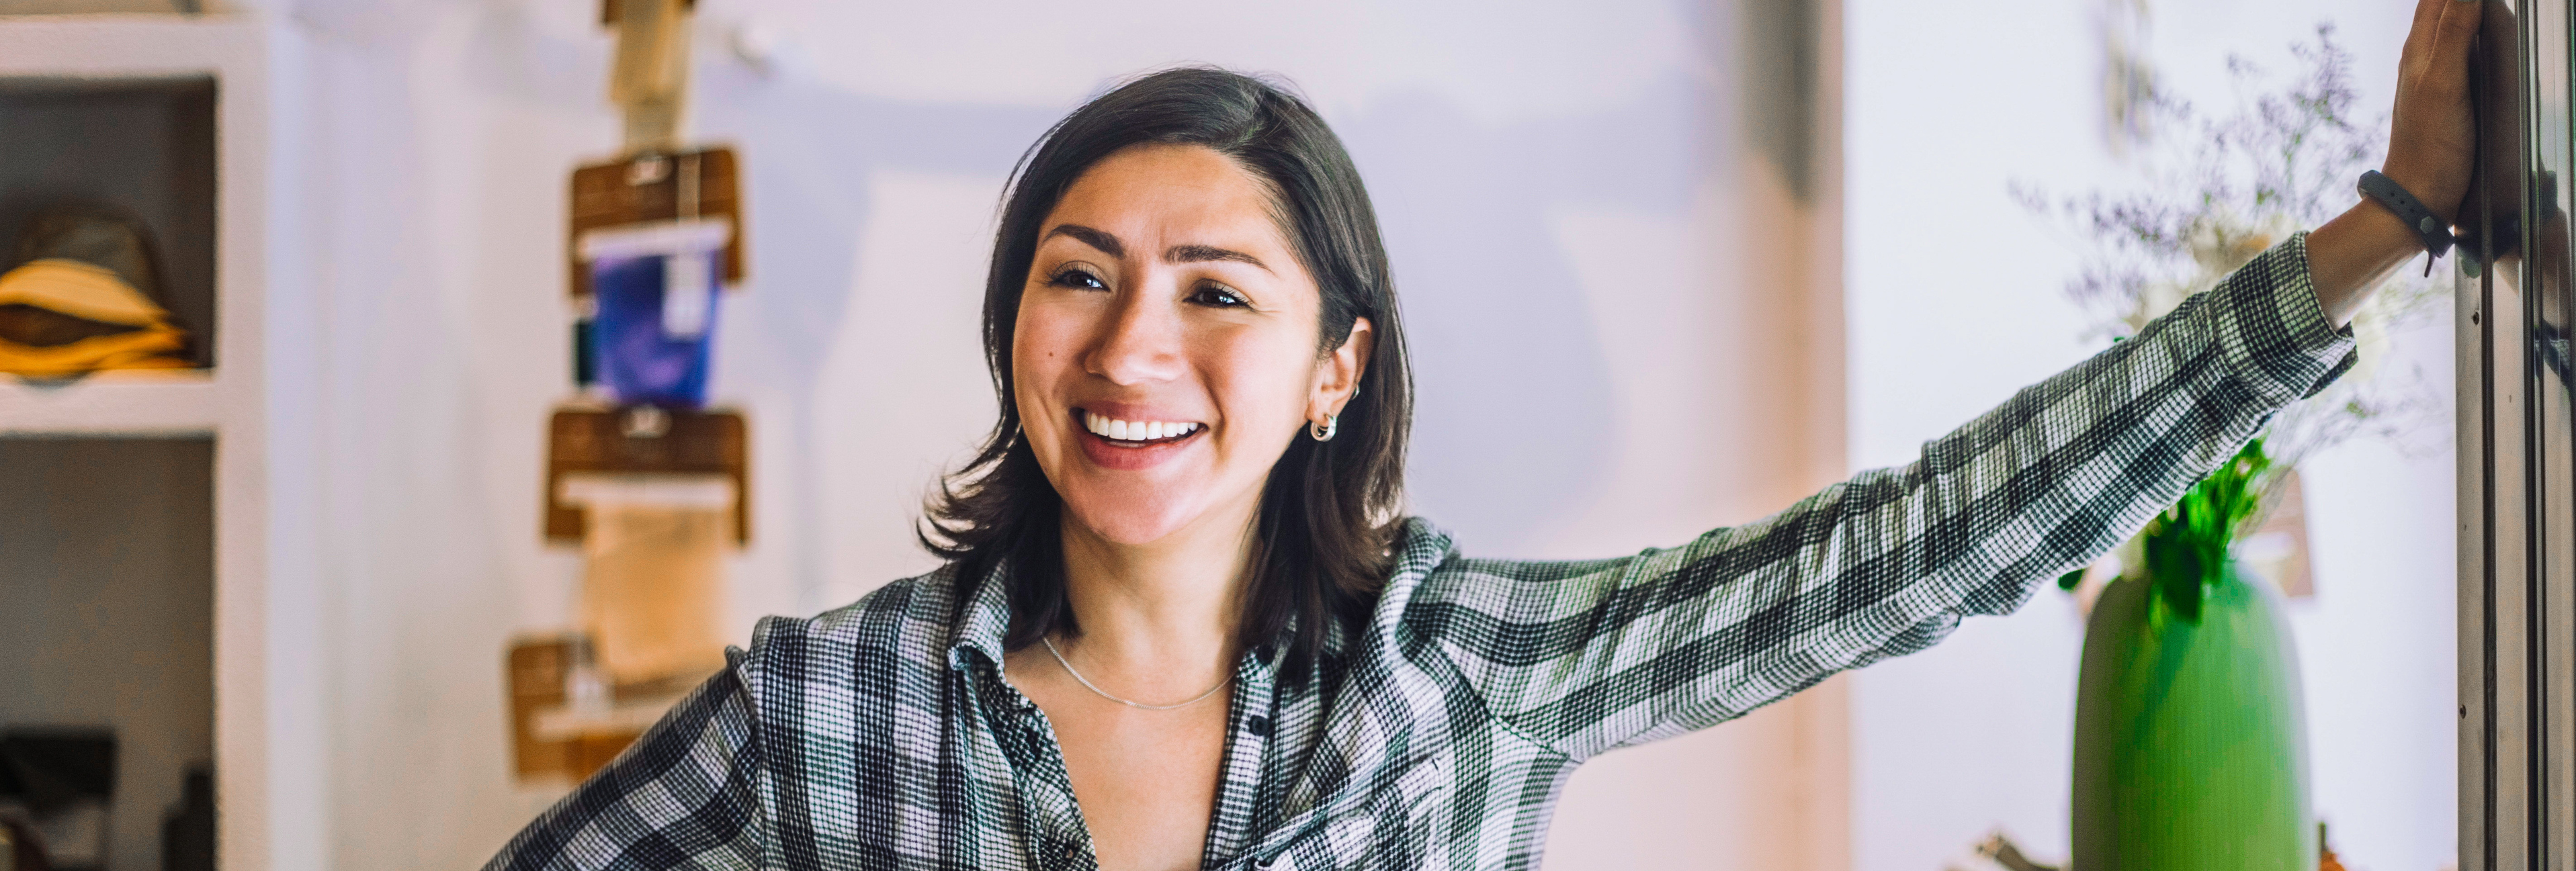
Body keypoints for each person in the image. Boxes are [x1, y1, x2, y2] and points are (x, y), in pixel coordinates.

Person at [486, 1, 2479, 868]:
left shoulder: (1467, 675)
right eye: (1075, 273)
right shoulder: (818, 712)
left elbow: (1909, 549)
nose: (1128, 347)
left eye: (1217, 289)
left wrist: (2379, 230)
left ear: (1334, 369)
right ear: (1010, 321)